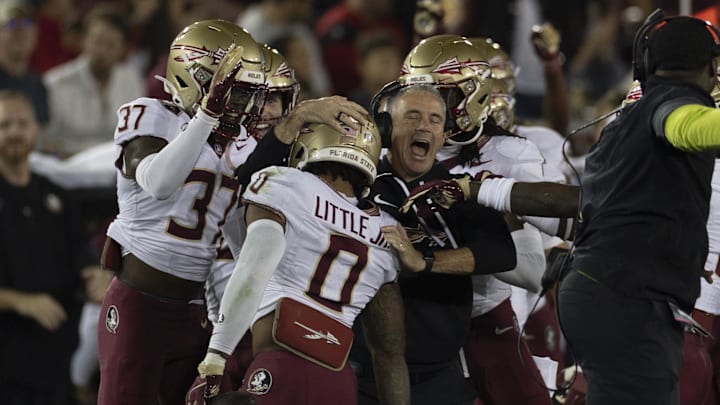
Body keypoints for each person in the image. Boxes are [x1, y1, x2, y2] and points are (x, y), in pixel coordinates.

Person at [95, 20, 269, 405]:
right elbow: (158, 181)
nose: (241, 108)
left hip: (195, 314)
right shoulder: (152, 114)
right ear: (197, 80)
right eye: (234, 94)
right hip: (139, 304)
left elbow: (243, 242)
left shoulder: (240, 144)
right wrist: (206, 116)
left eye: (248, 96)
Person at [557, 12, 720, 404]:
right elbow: (687, 127)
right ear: (712, 67)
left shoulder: (629, 118)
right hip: (626, 299)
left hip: (607, 290)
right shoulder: (672, 104)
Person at [188, 120, 410, 404]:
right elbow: (390, 350)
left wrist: (215, 359)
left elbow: (253, 271)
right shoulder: (386, 230)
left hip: (284, 370)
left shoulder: (287, 184)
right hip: (339, 385)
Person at [395, 33, 555, 405]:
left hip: (483, 319)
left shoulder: (507, 155)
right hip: (411, 320)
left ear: (476, 96)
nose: (427, 110)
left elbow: (531, 271)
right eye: (416, 96)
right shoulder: (396, 149)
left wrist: (475, 207)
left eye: (442, 96)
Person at [350, 83, 518, 405]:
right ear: (386, 129)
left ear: (443, 136)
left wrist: (423, 261)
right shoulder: (357, 185)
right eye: (412, 116)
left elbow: (501, 253)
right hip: (364, 377)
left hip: (441, 376)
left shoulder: (458, 190)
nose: (424, 126)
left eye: (434, 120)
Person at [0, 90, 96, 404]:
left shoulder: (57, 197)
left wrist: (95, 274)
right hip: (8, 360)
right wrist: (21, 302)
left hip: (58, 359)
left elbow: (83, 253)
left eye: (22, 123)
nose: (14, 132)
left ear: (35, 129)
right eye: (4, 125)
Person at [41, 6, 144, 158]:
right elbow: (48, 141)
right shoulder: (56, 82)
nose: (101, 50)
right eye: (97, 41)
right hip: (70, 167)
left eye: (110, 45)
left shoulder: (131, 79)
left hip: (119, 168)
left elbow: (138, 134)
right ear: (84, 39)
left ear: (122, 49)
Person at [0, 0, 49, 124]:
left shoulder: (38, 84)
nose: (20, 30)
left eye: (27, 23)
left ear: (36, 33)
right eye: (11, 23)